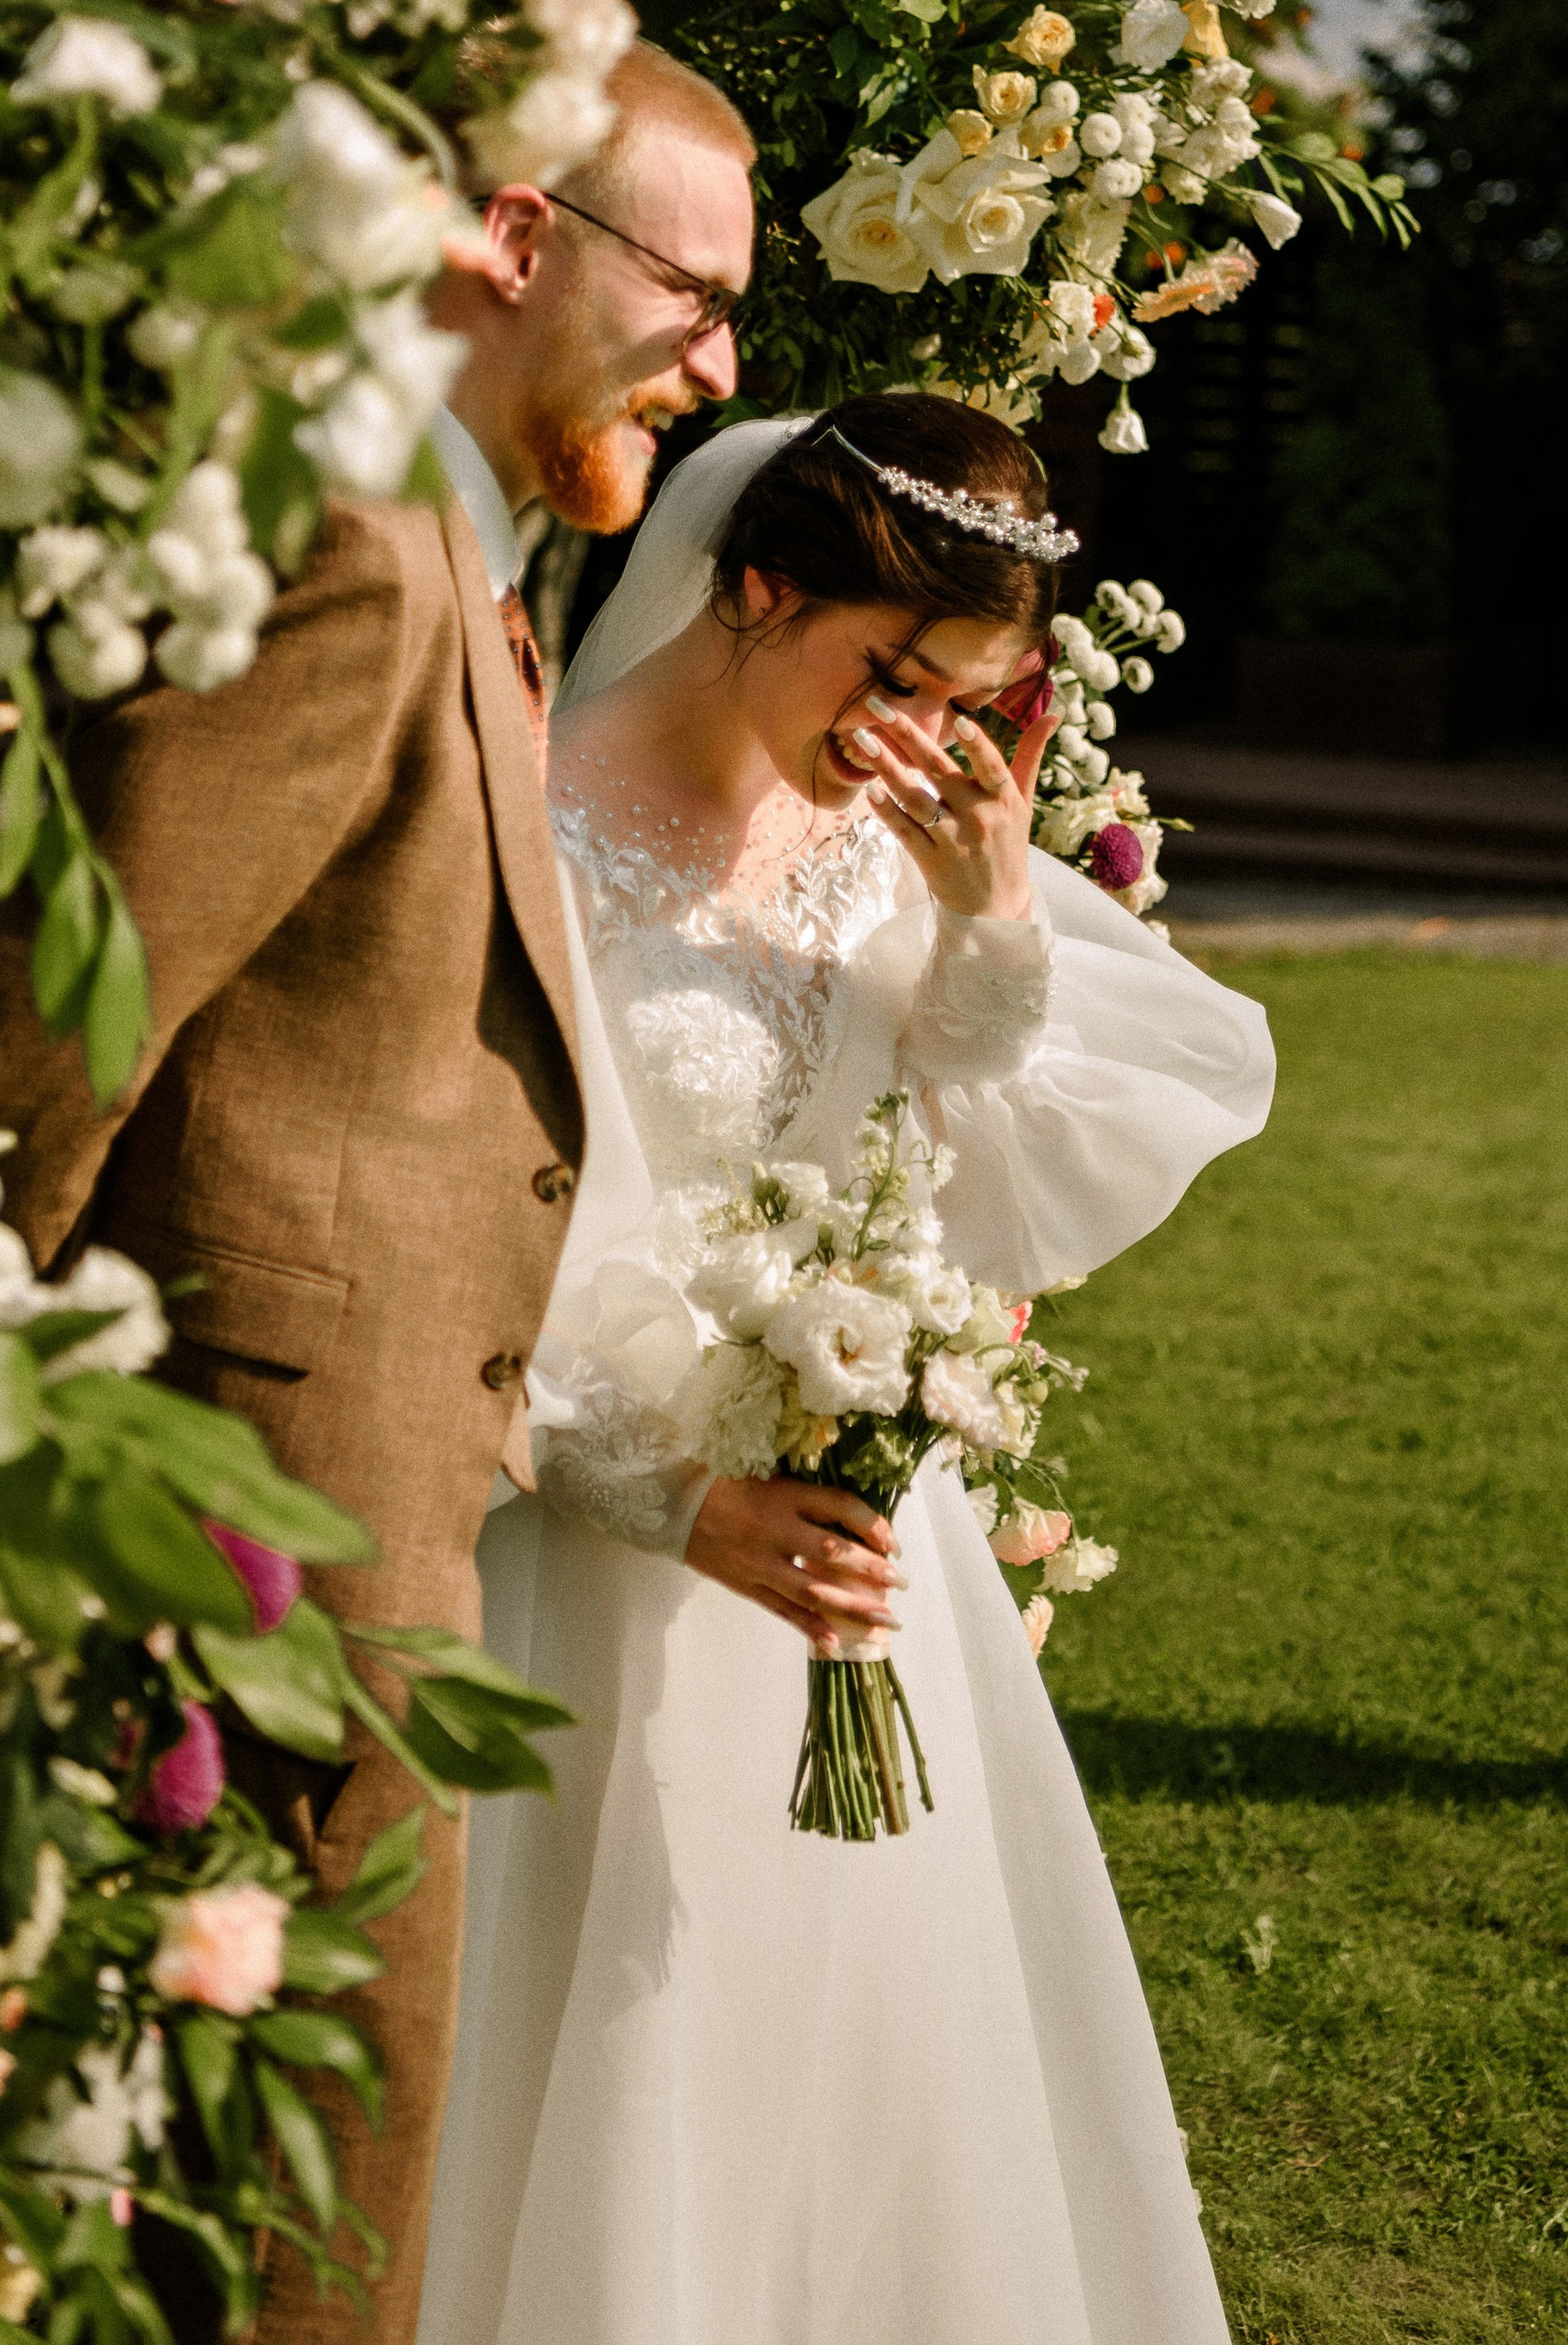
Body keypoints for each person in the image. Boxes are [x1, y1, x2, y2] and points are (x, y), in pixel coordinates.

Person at [0, 41, 756, 2345]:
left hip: (355, 1521)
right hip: (244, 1529)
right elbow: (66, 1018)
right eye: (695, 296)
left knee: (308, 2187)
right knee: (272, 2211)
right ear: (514, 233)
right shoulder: (349, 543)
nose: (720, 365)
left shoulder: (466, 556)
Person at [419, 392, 1277, 2345]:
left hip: (859, 1557)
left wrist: (985, 902)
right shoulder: (532, 826)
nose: (912, 731)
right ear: (753, 589)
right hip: (581, 1545)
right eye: (889, 672)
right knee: (587, 2051)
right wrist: (672, 1491)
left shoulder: (881, 836)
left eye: (964, 697)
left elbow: (977, 1143)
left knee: (867, 2083)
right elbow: (465, 1228)